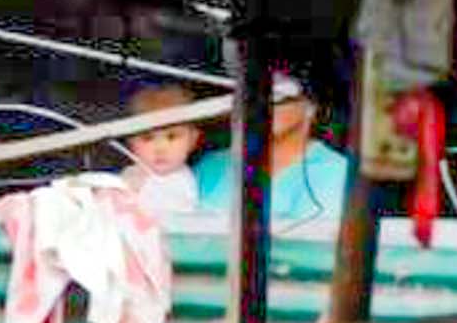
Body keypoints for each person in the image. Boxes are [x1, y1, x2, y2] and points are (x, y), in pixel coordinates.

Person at [193, 71, 351, 230]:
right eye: (253, 96)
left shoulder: (335, 172)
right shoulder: (210, 165)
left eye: (277, 96)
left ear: (311, 106)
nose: (263, 105)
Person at [118, 81, 204, 220]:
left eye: (171, 137)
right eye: (147, 138)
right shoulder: (130, 174)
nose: (160, 148)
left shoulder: (181, 182)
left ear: (192, 140)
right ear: (132, 143)